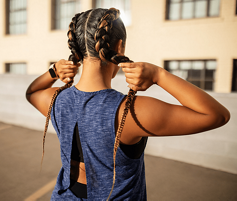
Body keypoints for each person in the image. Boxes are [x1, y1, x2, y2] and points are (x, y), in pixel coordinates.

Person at [26, 8, 230, 201]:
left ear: (77, 49)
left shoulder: (56, 99)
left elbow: (32, 92)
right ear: (120, 47)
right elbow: (216, 115)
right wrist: (159, 74)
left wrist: (53, 71)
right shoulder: (130, 111)